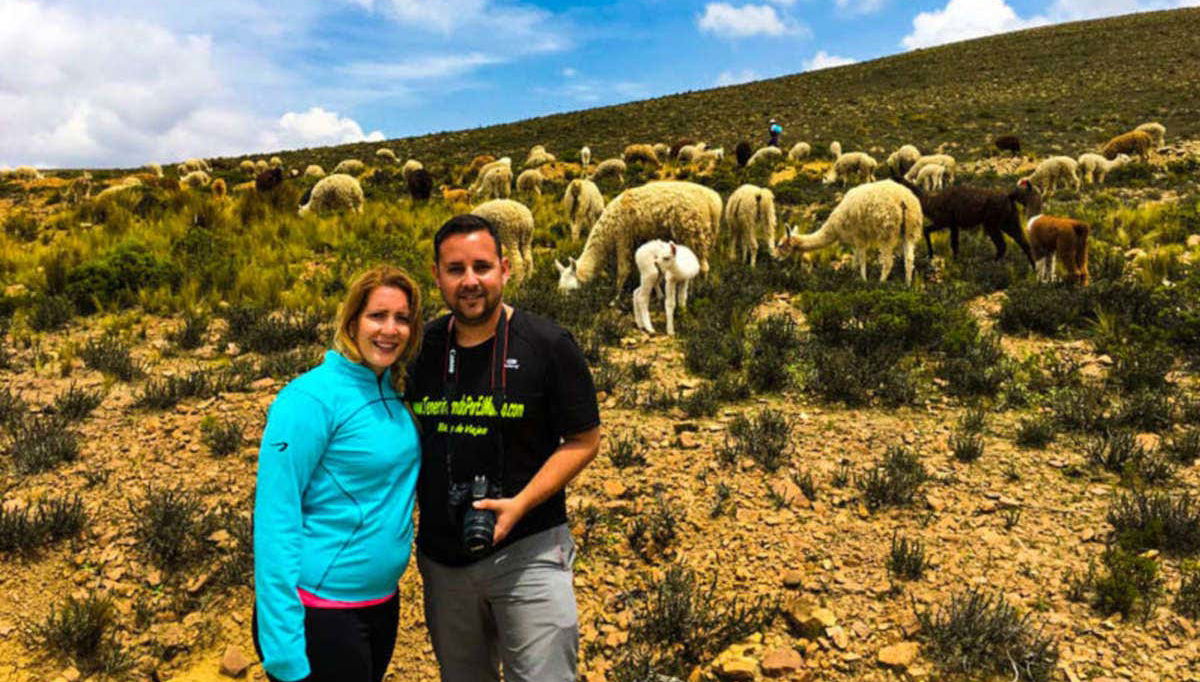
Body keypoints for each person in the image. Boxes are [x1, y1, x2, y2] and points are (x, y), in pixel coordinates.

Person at [406, 214, 601, 682]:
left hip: (529, 548)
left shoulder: (549, 344)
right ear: (437, 276)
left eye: (482, 267)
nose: (470, 281)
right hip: (443, 559)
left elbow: (584, 441)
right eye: (455, 270)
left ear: (505, 269)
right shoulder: (420, 348)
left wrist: (519, 505)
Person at [252, 265, 424, 682]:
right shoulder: (309, 399)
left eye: (402, 318)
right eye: (377, 316)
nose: (390, 330)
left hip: (381, 602)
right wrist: (283, 647)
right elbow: (276, 516)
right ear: (351, 321)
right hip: (320, 610)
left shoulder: (391, 389)